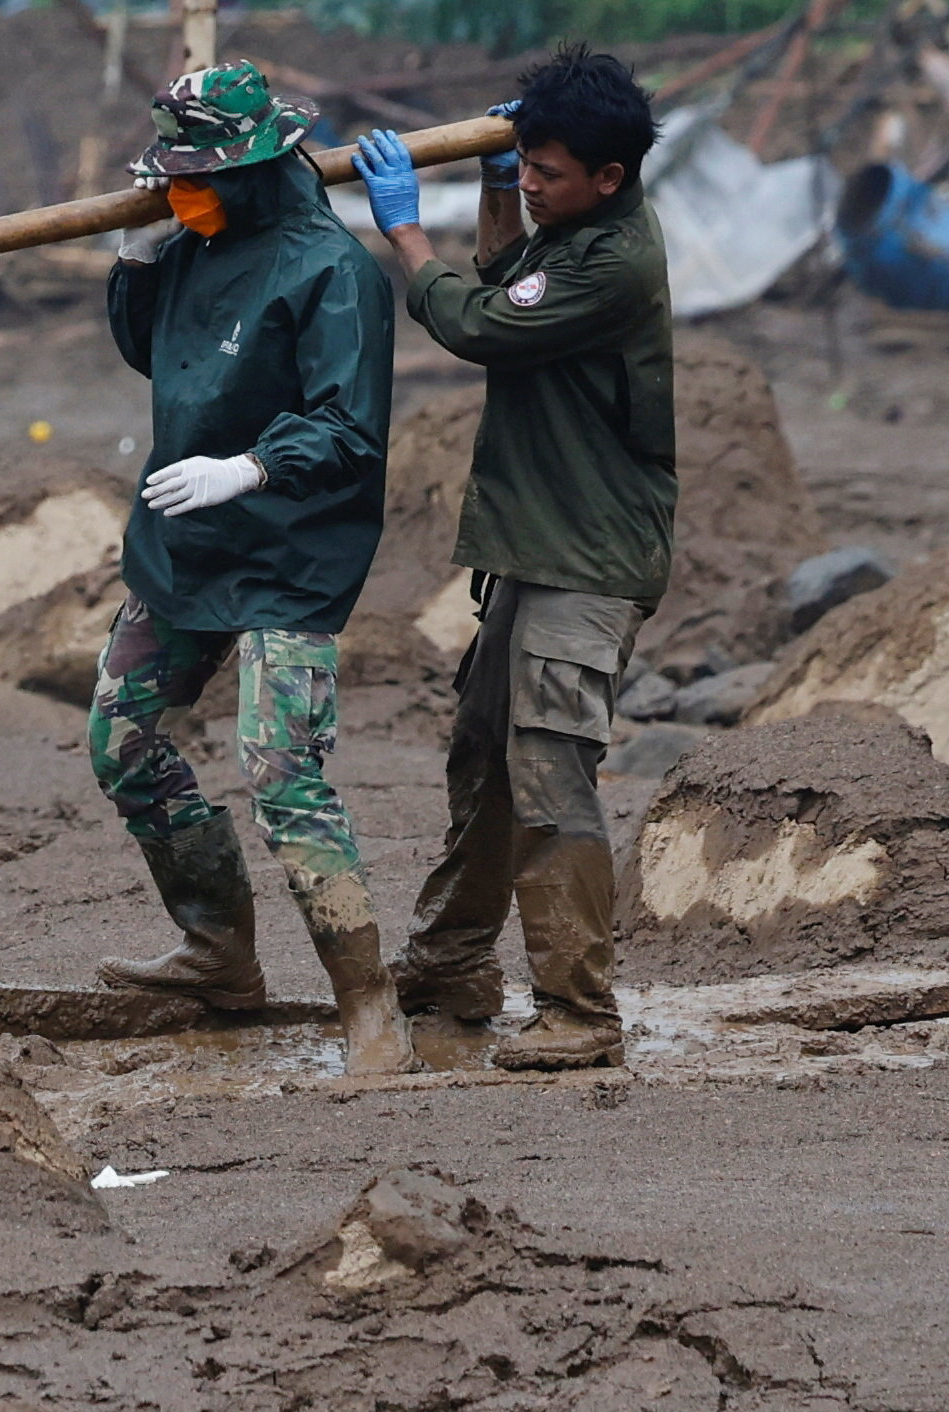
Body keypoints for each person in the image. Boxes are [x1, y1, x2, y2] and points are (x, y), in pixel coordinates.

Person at [352, 46, 672, 1071]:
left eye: (544, 173)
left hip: (588, 557)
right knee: (483, 760)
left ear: (607, 178)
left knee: (547, 775)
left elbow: (478, 321)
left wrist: (401, 227)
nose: (531, 186)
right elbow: (501, 276)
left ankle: (579, 1013)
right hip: (535, 548)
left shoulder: (612, 259)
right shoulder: (569, 231)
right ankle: (451, 966)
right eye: (523, 166)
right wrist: (494, 181)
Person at [91, 61, 414, 1076]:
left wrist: (250, 467)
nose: (181, 194)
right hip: (184, 543)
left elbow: (348, 427)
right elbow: (159, 356)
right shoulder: (193, 243)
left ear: (253, 167)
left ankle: (367, 1001)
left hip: (289, 550)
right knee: (123, 740)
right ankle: (218, 952)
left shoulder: (332, 271)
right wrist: (133, 265)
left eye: (197, 180)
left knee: (278, 770)